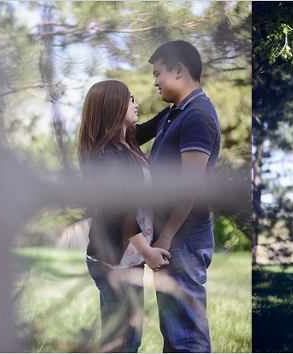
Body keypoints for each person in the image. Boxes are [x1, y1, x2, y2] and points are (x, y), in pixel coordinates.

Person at [78, 80, 171, 352]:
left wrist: (183, 102)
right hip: (114, 262)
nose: (136, 104)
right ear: (115, 106)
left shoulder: (125, 142)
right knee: (124, 342)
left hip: (125, 259)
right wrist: (147, 251)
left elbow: (152, 125)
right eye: (130, 99)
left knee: (124, 339)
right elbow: (119, 211)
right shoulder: (107, 156)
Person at [143, 39, 220, 353]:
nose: (155, 81)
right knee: (174, 333)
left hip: (183, 241)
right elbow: (130, 133)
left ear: (178, 70)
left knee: (186, 336)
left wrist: (166, 238)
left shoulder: (198, 116)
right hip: (171, 238)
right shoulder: (173, 113)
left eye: (158, 73)